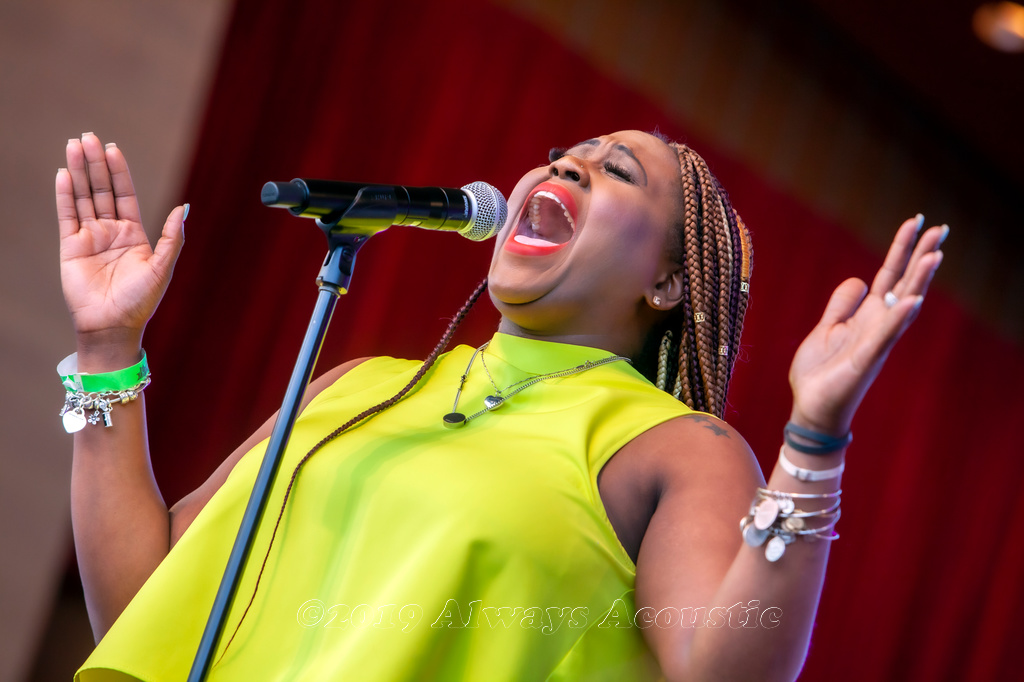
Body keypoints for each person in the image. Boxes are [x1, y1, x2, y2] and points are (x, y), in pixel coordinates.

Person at [57, 130, 944, 681]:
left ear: (670, 282)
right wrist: (107, 349)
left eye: (616, 170)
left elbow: (725, 672)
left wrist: (814, 439)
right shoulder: (359, 386)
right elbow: (144, 603)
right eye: (563, 155)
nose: (566, 163)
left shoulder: (673, 447)